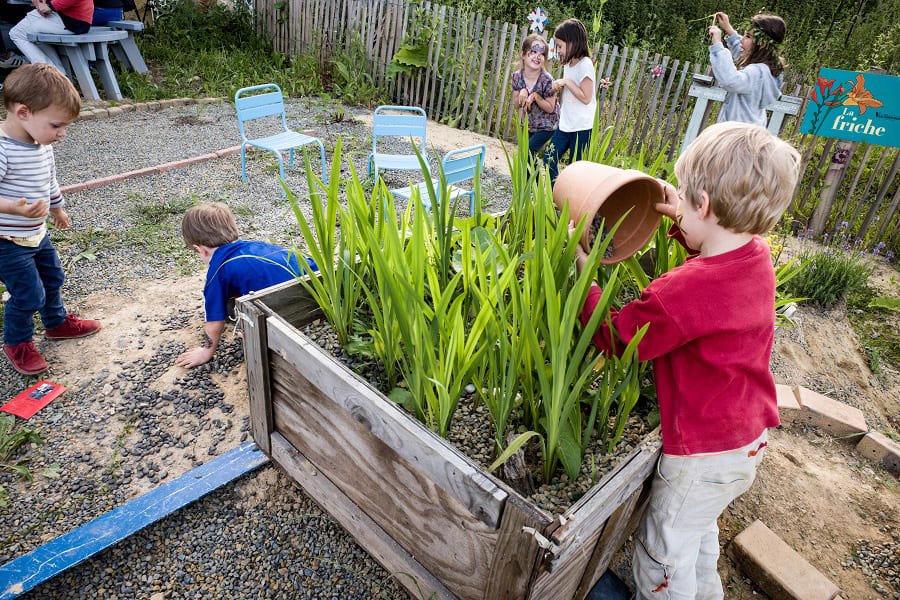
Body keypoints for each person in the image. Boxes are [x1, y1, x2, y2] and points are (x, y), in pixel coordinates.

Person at [573, 122, 801, 599]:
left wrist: (584, 278)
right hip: (745, 440)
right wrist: (683, 222)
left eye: (684, 198)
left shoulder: (682, 292)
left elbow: (619, 339)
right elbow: (714, 249)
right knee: (697, 536)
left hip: (700, 454)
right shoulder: (756, 256)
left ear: (704, 206)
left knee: (663, 552)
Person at [0, 64, 101, 375]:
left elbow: (49, 179)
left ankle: (56, 323)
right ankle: (16, 342)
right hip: (8, 240)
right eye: (57, 125)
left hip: (36, 231)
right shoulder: (3, 150)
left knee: (53, 277)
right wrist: (14, 209)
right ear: (23, 113)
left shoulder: (40, 144)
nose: (62, 133)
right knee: (29, 293)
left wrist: (57, 208)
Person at [176, 203, 317, 369]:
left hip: (287, 319)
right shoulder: (258, 246)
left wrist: (206, 352)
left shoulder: (218, 271)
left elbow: (215, 322)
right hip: (317, 292)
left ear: (200, 250)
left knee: (242, 305)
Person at [708, 12, 786, 126]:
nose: (741, 40)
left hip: (738, 136)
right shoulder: (767, 70)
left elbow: (731, 80)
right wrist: (728, 28)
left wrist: (717, 45)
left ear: (762, 44)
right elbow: (744, 52)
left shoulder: (757, 72)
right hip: (750, 133)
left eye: (748, 36)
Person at [544, 18, 595, 184]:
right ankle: (555, 195)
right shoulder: (568, 65)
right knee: (549, 160)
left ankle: (571, 204)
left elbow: (586, 97)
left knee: (575, 170)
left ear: (572, 42)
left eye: (560, 46)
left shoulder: (585, 65)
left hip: (581, 128)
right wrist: (560, 86)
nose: (557, 50)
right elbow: (572, 90)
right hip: (565, 124)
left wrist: (567, 82)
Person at [510, 33, 559, 160]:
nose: (538, 57)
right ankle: (531, 180)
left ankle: (536, 180)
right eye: (533, 52)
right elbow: (517, 105)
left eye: (542, 54)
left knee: (528, 151)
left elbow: (550, 108)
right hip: (530, 123)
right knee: (525, 155)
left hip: (547, 124)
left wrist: (536, 96)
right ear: (523, 54)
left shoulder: (546, 79)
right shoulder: (517, 77)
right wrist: (522, 91)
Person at [10, 0, 94, 66]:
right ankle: (58, 76)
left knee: (17, 33)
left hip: (72, 20)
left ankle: (46, 73)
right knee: (35, 38)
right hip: (69, 17)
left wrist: (50, 6)